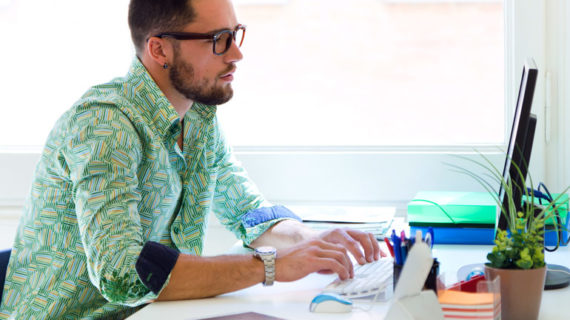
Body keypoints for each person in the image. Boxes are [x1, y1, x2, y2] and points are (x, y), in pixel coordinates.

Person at [0, 0, 383, 318]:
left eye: (235, 34)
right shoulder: (103, 124)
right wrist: (272, 267)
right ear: (160, 49)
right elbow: (125, 275)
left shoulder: (197, 117)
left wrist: (312, 243)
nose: (237, 53)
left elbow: (248, 213)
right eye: (218, 40)